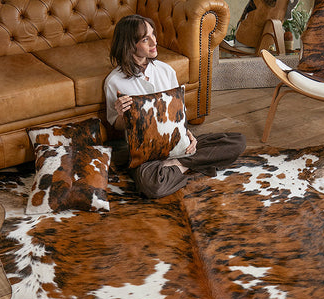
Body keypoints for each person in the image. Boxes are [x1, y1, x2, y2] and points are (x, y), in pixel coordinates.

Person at [104, 14, 246, 198]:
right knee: (152, 186)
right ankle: (189, 165)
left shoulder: (165, 70)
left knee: (238, 141)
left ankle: (179, 165)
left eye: (153, 34)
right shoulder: (114, 82)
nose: (154, 41)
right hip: (147, 154)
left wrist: (189, 135)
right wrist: (122, 113)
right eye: (145, 39)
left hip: (178, 144)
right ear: (130, 44)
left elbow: (179, 114)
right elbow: (116, 125)